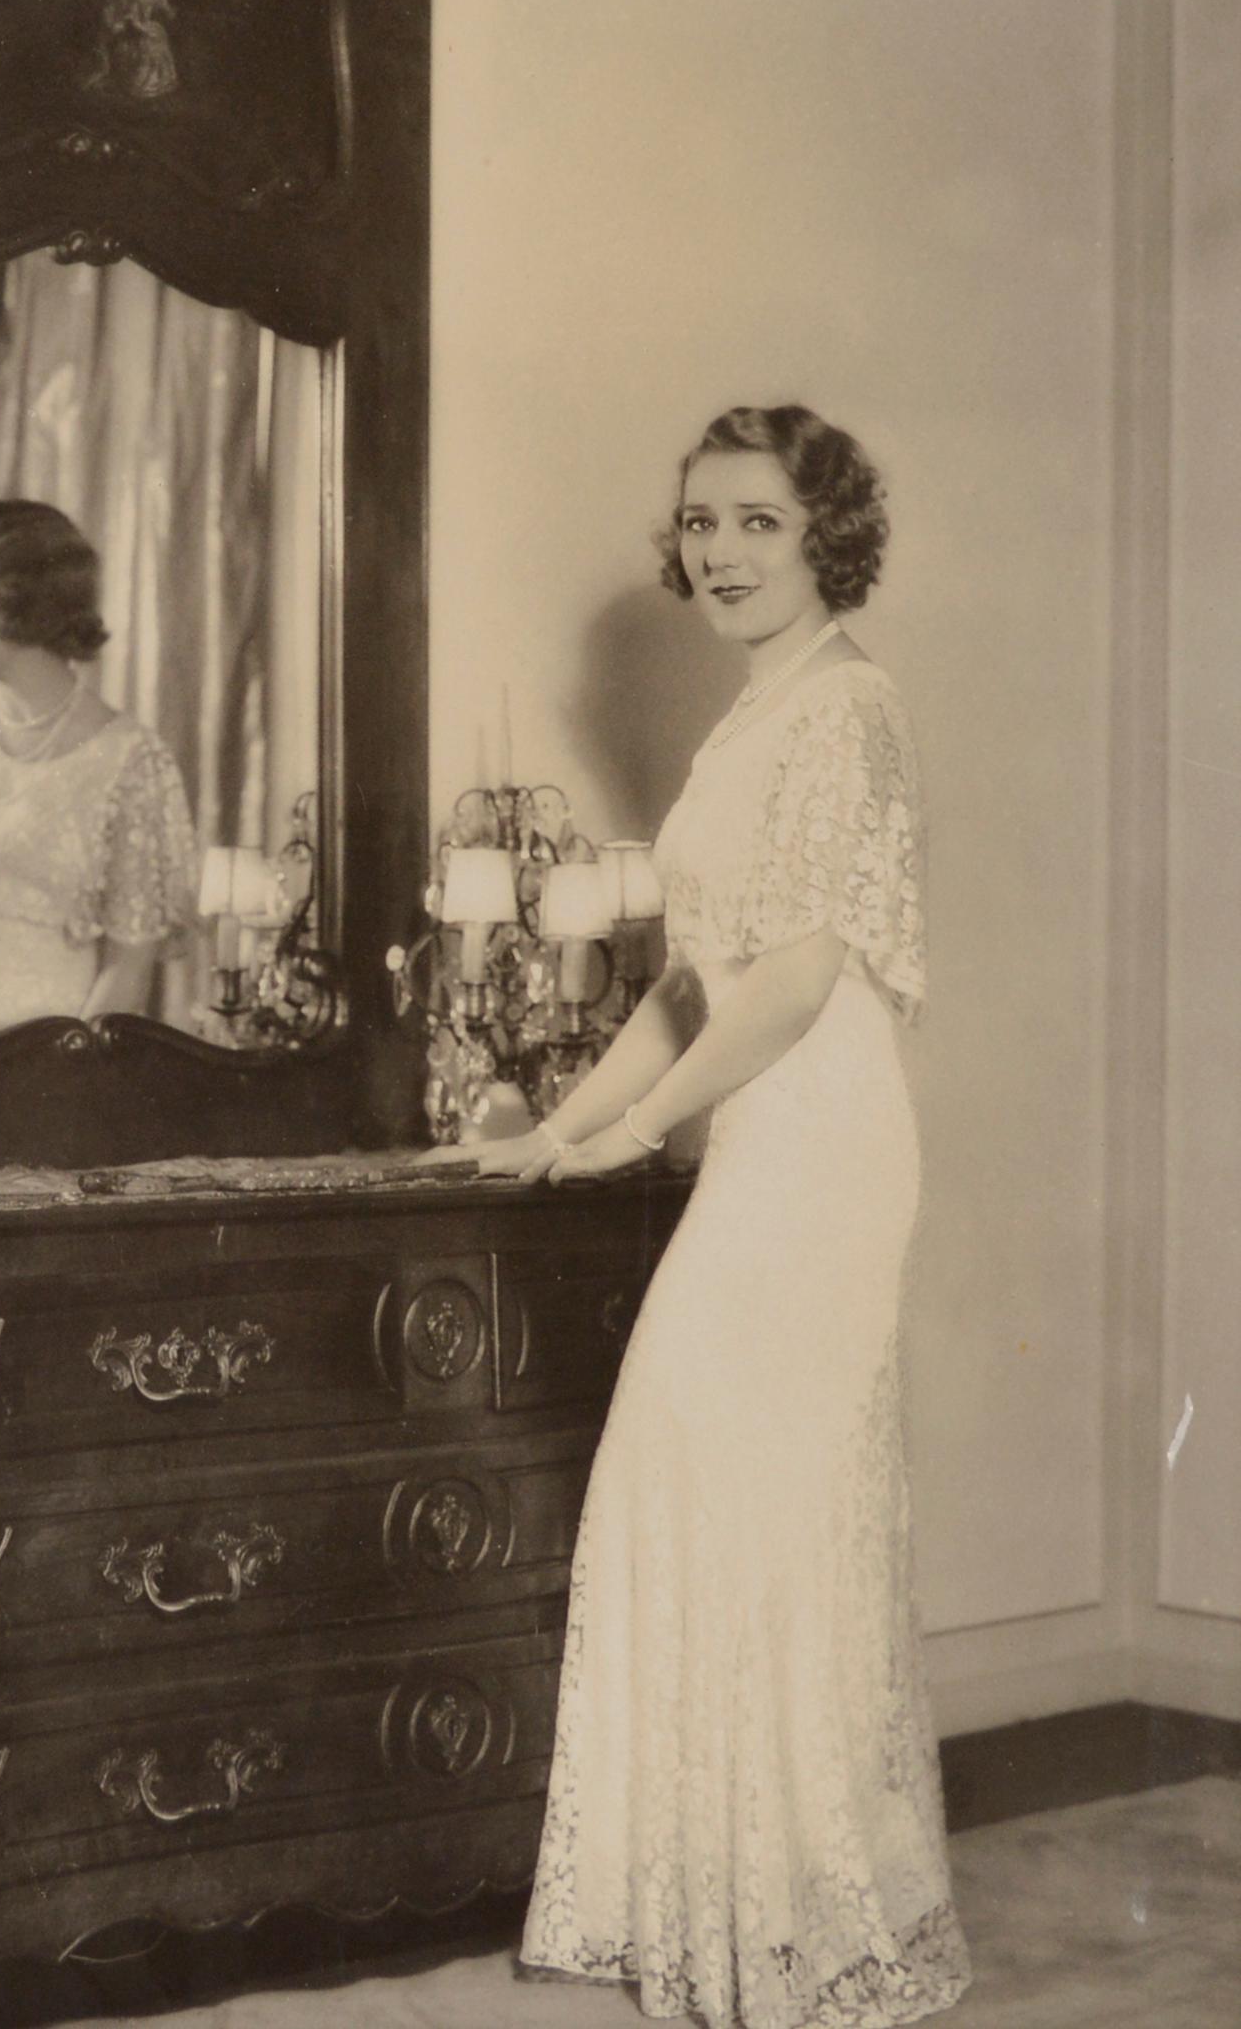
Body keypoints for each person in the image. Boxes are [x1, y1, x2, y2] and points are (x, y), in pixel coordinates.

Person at [467, 407, 972, 2026]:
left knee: (760, 1511)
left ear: (825, 531)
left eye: (757, 521)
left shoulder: (851, 710)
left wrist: (643, 1138)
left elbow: (805, 981)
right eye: (700, 525)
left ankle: (801, 1927)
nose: (723, 554)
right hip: (757, 1134)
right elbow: (692, 982)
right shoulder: (749, 721)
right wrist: (565, 1127)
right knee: (690, 1494)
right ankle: (714, 1908)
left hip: (822, 1149)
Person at [0, 498, 197, 1042]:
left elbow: (129, 969)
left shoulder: (130, 760)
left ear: (20, 597)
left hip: (53, 1090)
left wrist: (62, 1092)